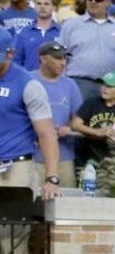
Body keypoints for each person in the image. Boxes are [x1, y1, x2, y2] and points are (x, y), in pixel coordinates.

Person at [0, 26, 61, 254]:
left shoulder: (28, 83)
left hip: (16, 169)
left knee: (11, 246)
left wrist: (51, 177)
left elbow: (47, 134)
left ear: (11, 53)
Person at [58, 0, 115, 103]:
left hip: (114, 87)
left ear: (108, 2)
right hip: (79, 84)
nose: (93, 2)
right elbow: (60, 57)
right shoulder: (71, 25)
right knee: (77, 122)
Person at [32, 40, 82, 187]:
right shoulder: (28, 80)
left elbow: (78, 118)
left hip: (63, 156)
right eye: (58, 58)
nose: (63, 63)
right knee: (31, 204)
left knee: (66, 204)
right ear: (43, 59)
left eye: (65, 58)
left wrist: (69, 128)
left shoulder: (70, 85)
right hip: (33, 156)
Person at [70, 71, 115, 168]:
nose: (104, 88)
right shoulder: (91, 102)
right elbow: (75, 124)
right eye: (103, 84)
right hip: (90, 157)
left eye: (109, 86)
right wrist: (97, 132)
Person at [12, 0, 59, 71]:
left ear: (54, 7)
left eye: (46, 4)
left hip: (56, 81)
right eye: (39, 4)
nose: (42, 7)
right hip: (30, 80)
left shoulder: (62, 32)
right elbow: (15, 60)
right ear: (34, 6)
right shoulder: (23, 33)